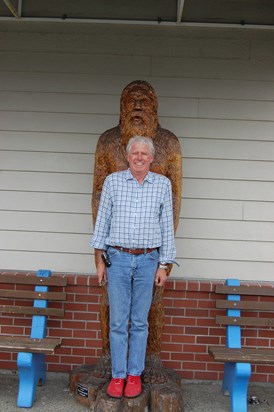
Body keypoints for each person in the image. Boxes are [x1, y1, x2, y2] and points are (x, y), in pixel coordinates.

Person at [92, 80, 182, 384]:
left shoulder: (169, 146)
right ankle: (116, 372)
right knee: (116, 317)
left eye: (145, 101)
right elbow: (99, 208)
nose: (139, 107)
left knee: (143, 318)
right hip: (116, 257)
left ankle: (139, 372)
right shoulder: (108, 146)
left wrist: (164, 263)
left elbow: (172, 211)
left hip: (150, 259)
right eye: (132, 101)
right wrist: (99, 256)